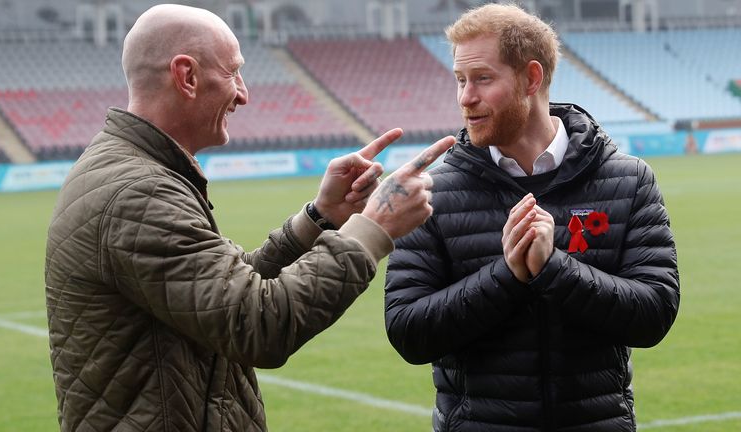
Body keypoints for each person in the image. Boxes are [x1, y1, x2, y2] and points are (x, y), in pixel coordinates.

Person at [44, 4, 454, 432]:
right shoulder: (138, 192)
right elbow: (256, 324)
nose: (243, 94)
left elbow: (223, 295)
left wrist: (321, 216)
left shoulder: (135, 173)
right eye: (233, 73)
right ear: (187, 76)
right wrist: (374, 227)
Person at [384, 4, 680, 432]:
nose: (465, 97)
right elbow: (408, 332)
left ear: (532, 78)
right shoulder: (434, 194)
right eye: (460, 80)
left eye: (482, 78)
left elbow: (655, 314)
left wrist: (553, 270)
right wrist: (509, 275)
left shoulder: (629, 180)